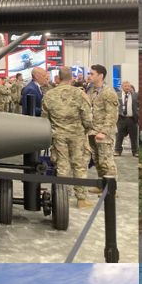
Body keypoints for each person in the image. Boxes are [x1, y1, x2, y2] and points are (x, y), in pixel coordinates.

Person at [42, 65, 93, 209]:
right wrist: (87, 130)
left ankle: (62, 197)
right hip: (77, 135)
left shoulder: (49, 95)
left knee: (62, 166)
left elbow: (44, 118)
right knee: (79, 165)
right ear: (71, 78)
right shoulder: (80, 94)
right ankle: (81, 199)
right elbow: (87, 118)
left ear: (58, 78)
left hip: (58, 135)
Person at [86, 64, 120, 185]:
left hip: (104, 133)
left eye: (91, 74)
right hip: (92, 131)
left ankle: (111, 189)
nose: (89, 76)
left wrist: (104, 132)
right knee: (97, 160)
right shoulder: (91, 91)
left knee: (106, 160)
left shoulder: (108, 92)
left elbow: (112, 115)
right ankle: (102, 185)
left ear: (100, 76)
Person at [115, 80, 139, 156]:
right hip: (121, 118)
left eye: (128, 86)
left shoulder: (135, 95)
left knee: (133, 136)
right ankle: (117, 151)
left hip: (132, 118)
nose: (127, 87)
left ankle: (135, 151)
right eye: (125, 86)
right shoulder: (117, 95)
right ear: (122, 87)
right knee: (119, 135)